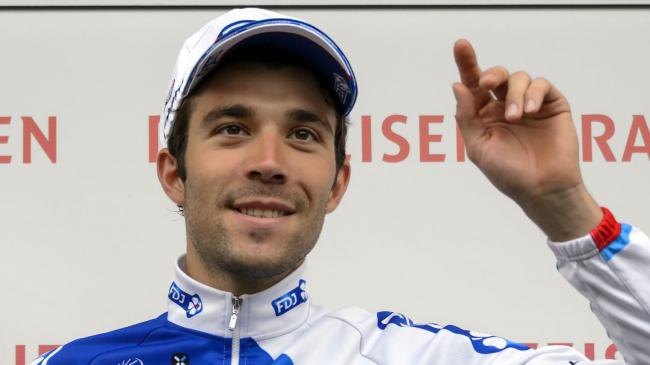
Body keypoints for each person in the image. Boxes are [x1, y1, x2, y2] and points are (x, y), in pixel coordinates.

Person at [32, 7, 649, 365]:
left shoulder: (407, 357)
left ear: (336, 184)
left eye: (303, 134)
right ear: (174, 173)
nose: (269, 161)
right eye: (232, 127)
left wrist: (563, 205)